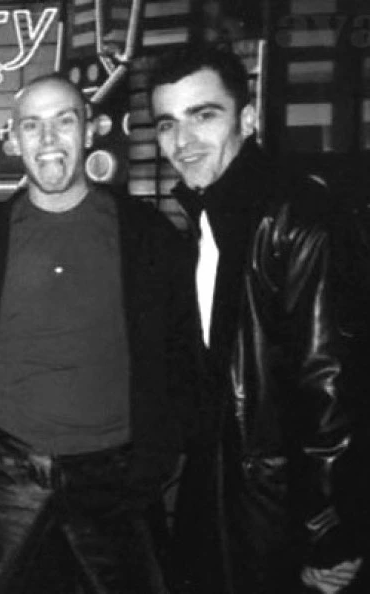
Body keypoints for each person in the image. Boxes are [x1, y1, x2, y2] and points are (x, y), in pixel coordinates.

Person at [0, 73, 196, 593]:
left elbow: (180, 356)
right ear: (14, 139)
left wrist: (157, 462)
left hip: (117, 478)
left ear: (90, 130)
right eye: (32, 125)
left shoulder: (147, 236)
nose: (49, 139)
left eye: (64, 121)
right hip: (9, 472)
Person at [149, 45, 363, 593]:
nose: (182, 140)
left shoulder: (296, 215)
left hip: (283, 517)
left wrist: (327, 530)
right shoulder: (207, 217)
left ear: (246, 119)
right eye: (167, 123)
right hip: (226, 502)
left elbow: (332, 383)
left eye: (203, 115)